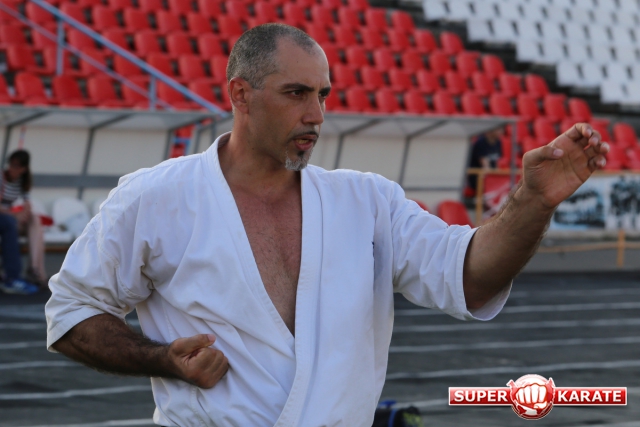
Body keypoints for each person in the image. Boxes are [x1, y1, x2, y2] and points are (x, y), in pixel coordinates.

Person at [45, 24, 609, 426]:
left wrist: (534, 201)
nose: (316, 115)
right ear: (240, 95)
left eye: (323, 95)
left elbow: (471, 277)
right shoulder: (157, 196)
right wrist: (159, 359)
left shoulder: (367, 201)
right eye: (296, 93)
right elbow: (71, 312)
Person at [0, 150, 44, 295]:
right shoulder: (2, 178)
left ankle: (36, 269)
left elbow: (27, 204)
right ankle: (13, 277)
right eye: (11, 164)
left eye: (16, 166)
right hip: (6, 217)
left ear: (24, 169)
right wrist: (15, 215)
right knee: (9, 223)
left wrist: (24, 213)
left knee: (35, 220)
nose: (12, 168)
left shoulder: (22, 181)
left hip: (8, 218)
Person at [467, 127, 504, 192]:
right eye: (498, 129)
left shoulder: (498, 142)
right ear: (491, 130)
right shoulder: (480, 143)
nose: (501, 131)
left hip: (491, 176)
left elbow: (497, 163)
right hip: (478, 177)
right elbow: (485, 166)